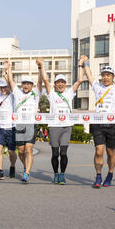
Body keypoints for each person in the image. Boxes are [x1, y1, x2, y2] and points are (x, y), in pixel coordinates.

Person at [83, 47, 115, 188]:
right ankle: (98, 177)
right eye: (103, 75)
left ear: (112, 77)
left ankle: (110, 174)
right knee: (99, 151)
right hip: (98, 124)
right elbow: (89, 76)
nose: (105, 77)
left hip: (112, 124)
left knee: (110, 152)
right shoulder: (97, 87)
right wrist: (85, 63)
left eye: (108, 75)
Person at [41, 55, 84, 185]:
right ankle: (55, 174)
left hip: (66, 127)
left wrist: (81, 64)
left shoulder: (69, 93)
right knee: (55, 153)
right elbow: (45, 81)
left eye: (63, 82)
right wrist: (42, 65)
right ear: (55, 84)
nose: (60, 84)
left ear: (65, 84)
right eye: (58, 82)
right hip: (54, 126)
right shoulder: (52, 95)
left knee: (63, 153)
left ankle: (62, 175)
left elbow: (80, 80)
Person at [4, 60, 43, 183]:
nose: (26, 86)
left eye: (29, 84)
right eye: (24, 83)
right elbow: (10, 80)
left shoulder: (35, 94)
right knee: (21, 152)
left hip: (31, 125)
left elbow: (40, 81)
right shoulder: (17, 93)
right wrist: (9, 67)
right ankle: (26, 165)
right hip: (19, 125)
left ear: (32, 85)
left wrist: (40, 67)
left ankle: (26, 173)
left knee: (28, 150)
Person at [0, 67, 17, 180]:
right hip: (0, 128)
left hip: (11, 128)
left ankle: (12, 166)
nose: (2, 89)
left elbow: (11, 82)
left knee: (11, 152)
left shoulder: (12, 95)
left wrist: (7, 71)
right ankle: (0, 171)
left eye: (5, 87)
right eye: (1, 87)